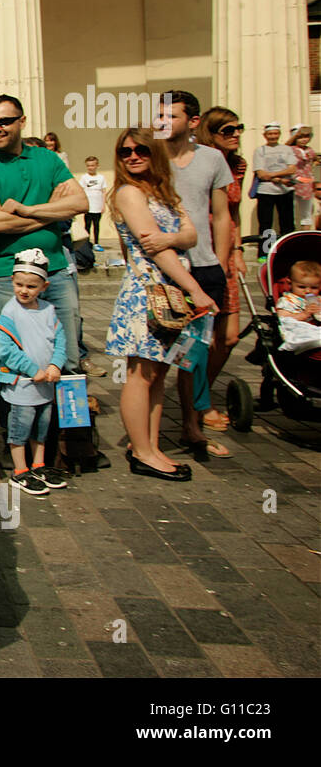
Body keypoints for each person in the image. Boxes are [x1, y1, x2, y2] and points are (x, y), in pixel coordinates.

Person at [104, 128, 217, 479]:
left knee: (159, 372)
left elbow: (191, 234)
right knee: (141, 374)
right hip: (148, 294)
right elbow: (159, 250)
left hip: (170, 294)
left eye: (141, 150)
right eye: (125, 152)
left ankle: (152, 446)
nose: (133, 156)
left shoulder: (164, 192)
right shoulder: (128, 193)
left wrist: (172, 236)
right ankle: (142, 451)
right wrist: (196, 289)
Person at [0, 94, 87, 376]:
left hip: (55, 272)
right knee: (13, 358)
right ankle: (18, 420)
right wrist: (53, 213)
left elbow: (81, 203)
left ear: (22, 121)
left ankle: (69, 419)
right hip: (6, 274)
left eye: (5, 121)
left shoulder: (48, 158)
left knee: (68, 356)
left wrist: (23, 210)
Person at [156, 90, 233, 459]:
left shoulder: (213, 158)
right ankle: (152, 436)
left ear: (194, 122)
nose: (163, 122)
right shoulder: (150, 156)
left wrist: (220, 261)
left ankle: (191, 425)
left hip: (204, 266)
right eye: (160, 115)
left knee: (196, 352)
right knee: (158, 354)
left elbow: (221, 214)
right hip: (164, 268)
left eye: (171, 115)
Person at [0, 249, 69, 496]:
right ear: (12, 282)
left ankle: (38, 464)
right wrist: (32, 369)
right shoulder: (10, 312)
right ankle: (20, 469)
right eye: (19, 284)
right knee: (20, 429)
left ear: (43, 286)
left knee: (41, 429)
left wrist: (55, 364)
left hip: (45, 385)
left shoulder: (48, 310)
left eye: (31, 286)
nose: (24, 290)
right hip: (23, 385)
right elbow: (3, 349)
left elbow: (60, 340)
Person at [195, 108, 247, 433]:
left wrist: (238, 250)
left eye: (237, 128)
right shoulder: (201, 161)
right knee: (203, 338)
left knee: (228, 337)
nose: (235, 134)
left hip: (227, 254)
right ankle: (199, 402)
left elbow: (235, 212)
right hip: (203, 252)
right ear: (210, 133)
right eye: (227, 130)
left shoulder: (238, 165)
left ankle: (203, 390)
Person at [252, 122, 296, 243]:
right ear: (265, 135)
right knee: (266, 225)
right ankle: (264, 254)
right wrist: (281, 179)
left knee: (287, 223)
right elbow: (260, 173)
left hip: (285, 191)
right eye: (270, 134)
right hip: (266, 191)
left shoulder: (287, 149)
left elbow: (292, 169)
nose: (273, 136)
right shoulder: (260, 150)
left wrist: (271, 175)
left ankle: (288, 251)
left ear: (279, 134)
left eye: (275, 133)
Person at [288, 125, 318, 231]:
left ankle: (305, 235)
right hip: (293, 182)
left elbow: (313, 160)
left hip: (307, 183)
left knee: (306, 213)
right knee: (292, 212)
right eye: (301, 137)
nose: (304, 139)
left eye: (306, 136)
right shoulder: (291, 149)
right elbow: (285, 146)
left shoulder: (310, 150)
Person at [79, 156, 106, 251]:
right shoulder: (84, 177)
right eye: (88, 166)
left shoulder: (101, 178)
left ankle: (96, 243)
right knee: (87, 225)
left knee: (96, 225)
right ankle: (86, 244)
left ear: (97, 166)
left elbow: (103, 192)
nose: (90, 167)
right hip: (88, 206)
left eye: (92, 165)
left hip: (97, 206)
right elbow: (81, 191)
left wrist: (103, 205)